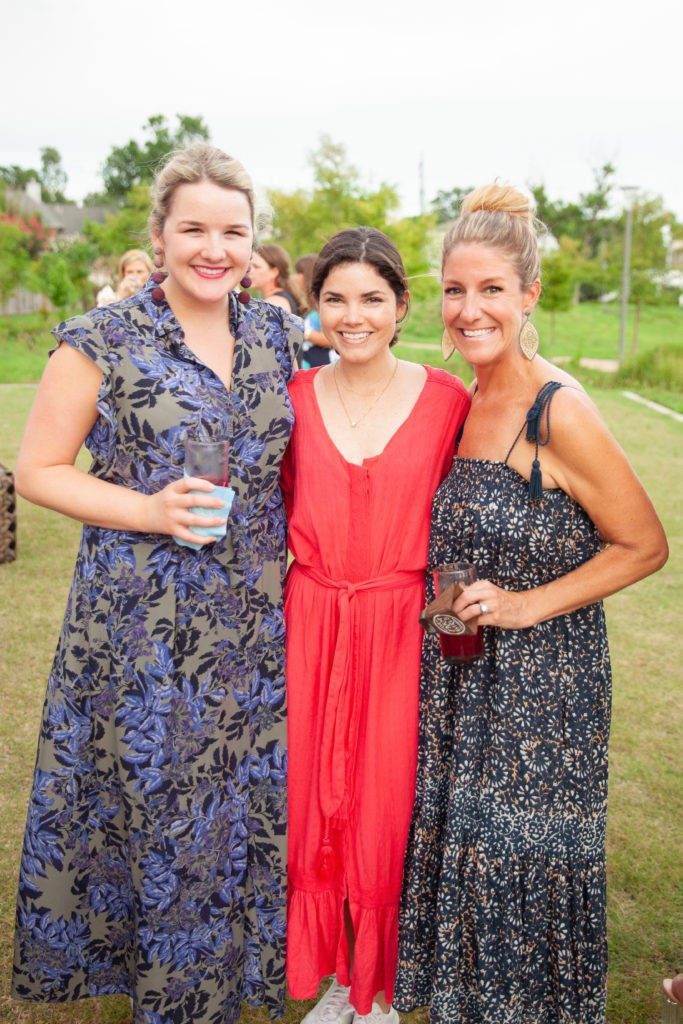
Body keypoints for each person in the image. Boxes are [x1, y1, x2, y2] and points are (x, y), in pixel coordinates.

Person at [11, 142, 302, 1024]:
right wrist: (147, 510)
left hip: (253, 619)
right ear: (161, 234)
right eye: (194, 230)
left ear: (253, 242)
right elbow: (38, 468)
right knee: (155, 805)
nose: (213, 248)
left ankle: (222, 982)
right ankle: (170, 994)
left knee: (232, 806)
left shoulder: (276, 332)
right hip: (141, 625)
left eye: (232, 231)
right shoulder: (103, 337)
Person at [394, 184, 668, 1024]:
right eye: (453, 289)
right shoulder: (464, 399)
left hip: (543, 687)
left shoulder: (560, 409)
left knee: (516, 863)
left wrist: (523, 606)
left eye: (489, 290)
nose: (468, 309)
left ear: (528, 296)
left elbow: (645, 546)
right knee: (468, 854)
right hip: (462, 675)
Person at [281, 228, 471, 1024]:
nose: (352, 316)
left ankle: (377, 989)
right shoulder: (290, 397)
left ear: (400, 307)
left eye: (371, 299)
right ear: (314, 307)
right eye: (334, 299)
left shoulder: (448, 400)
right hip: (311, 618)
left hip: (402, 630)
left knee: (386, 805)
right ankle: (328, 976)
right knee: (312, 799)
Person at [294, 252, 338, 368]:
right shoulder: (307, 305)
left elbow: (331, 340)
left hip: (324, 366)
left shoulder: (322, 303)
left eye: (299, 272)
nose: (295, 277)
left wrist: (302, 331)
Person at [250, 243, 302, 314]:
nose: (249, 271)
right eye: (249, 266)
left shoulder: (275, 303)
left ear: (274, 272)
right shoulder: (280, 299)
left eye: (256, 267)